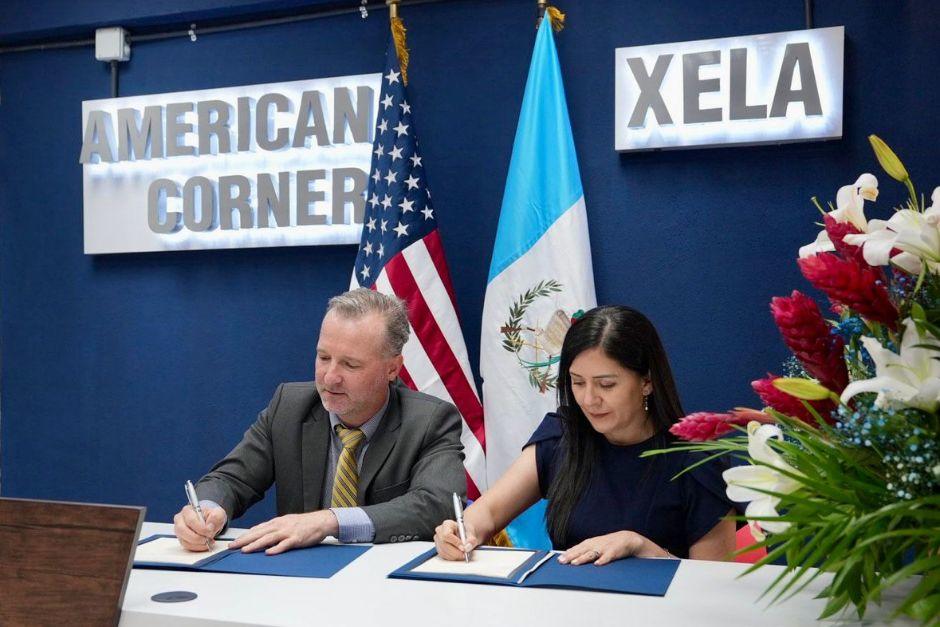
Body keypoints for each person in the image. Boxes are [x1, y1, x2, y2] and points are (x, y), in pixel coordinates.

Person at [435, 306, 735, 565]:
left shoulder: (699, 460)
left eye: (606, 385)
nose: (590, 400)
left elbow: (712, 586)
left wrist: (639, 545)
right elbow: (487, 513)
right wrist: (461, 531)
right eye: (578, 383)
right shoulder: (561, 436)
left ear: (646, 382)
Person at [174, 288, 465, 554]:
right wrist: (208, 512)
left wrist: (329, 521)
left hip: (387, 587)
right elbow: (231, 478)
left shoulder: (430, 421)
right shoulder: (289, 406)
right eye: (323, 358)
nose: (330, 377)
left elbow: (436, 504)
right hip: (301, 584)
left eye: (350, 364)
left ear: (392, 369)